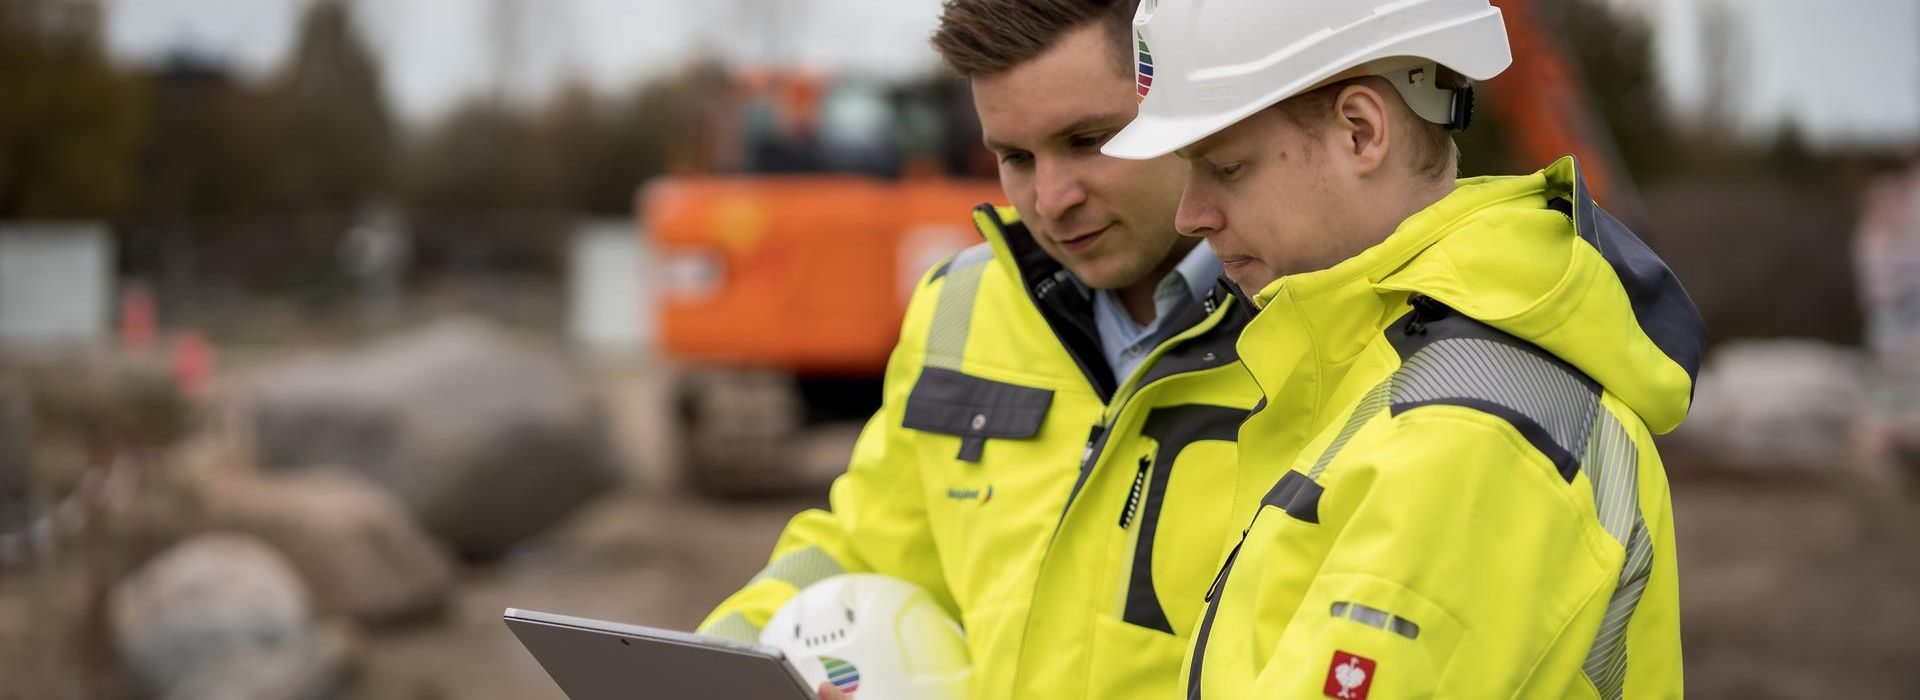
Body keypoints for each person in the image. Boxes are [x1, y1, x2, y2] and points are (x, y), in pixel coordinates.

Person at [1100, 0, 1703, 697]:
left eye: (1227, 167)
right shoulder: (1392, 362)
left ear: (1361, 132)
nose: (1190, 215)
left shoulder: (1466, 432)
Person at [697, 1, 1275, 698]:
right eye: (1015, 158)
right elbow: (867, 548)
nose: (1052, 198)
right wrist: (722, 655)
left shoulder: (1319, 312)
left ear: (1187, 103)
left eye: (1089, 139)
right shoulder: (958, 306)